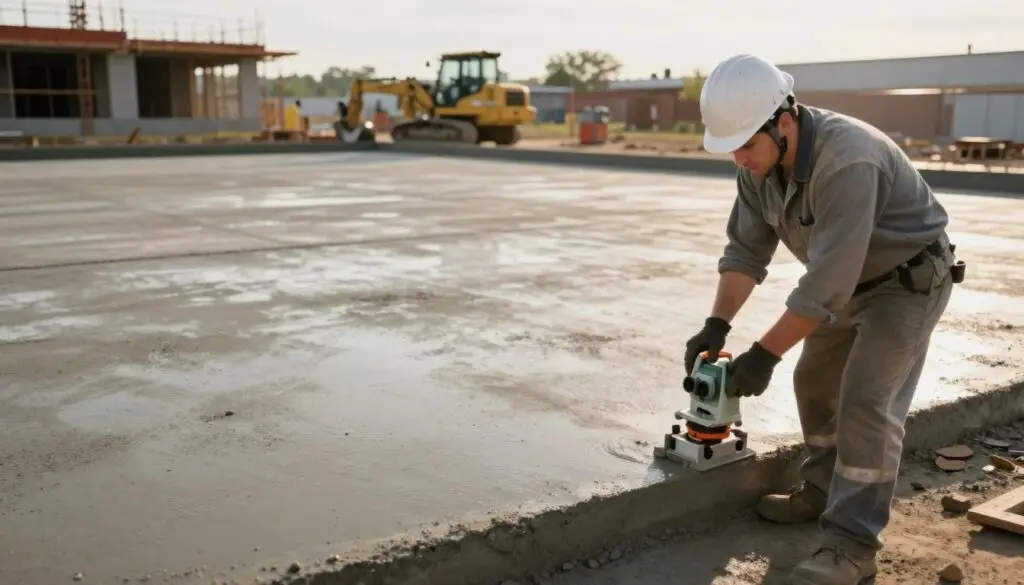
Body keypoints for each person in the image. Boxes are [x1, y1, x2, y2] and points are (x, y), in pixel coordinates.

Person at [684, 54, 963, 585]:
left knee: (865, 399)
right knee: (813, 382)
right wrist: (716, 327)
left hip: (907, 282)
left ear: (783, 121)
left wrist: (762, 354)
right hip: (850, 283)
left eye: (746, 144)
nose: (740, 158)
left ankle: (852, 544)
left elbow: (825, 285)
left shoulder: (848, 159)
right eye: (731, 149)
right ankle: (821, 490)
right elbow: (746, 253)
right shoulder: (758, 165)